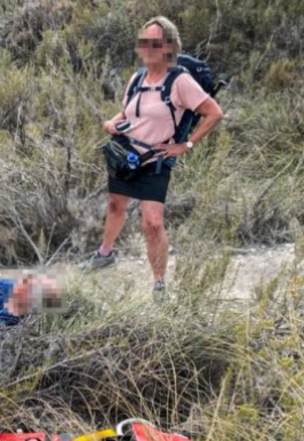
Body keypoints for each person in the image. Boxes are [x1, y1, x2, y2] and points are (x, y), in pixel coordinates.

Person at [81, 16, 223, 299]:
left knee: (153, 223)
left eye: (155, 42)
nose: (147, 48)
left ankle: (159, 286)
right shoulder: (137, 78)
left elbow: (214, 113)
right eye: (144, 41)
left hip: (155, 159)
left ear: (169, 46)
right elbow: (128, 112)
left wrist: (185, 145)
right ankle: (104, 255)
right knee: (115, 206)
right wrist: (111, 123)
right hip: (124, 152)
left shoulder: (180, 81)